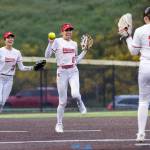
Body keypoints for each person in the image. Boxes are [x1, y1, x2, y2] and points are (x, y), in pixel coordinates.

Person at [45, 23, 87, 133]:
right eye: (66, 30)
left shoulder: (74, 44)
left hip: (73, 71)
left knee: (75, 94)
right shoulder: (57, 41)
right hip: (61, 72)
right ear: (62, 32)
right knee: (62, 102)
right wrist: (50, 43)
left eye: (70, 30)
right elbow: (47, 56)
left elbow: (76, 60)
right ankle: (59, 124)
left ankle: (80, 103)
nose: (68, 32)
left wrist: (85, 51)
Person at [123, 7, 150, 142]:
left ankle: (141, 133)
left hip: (145, 65)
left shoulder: (140, 30)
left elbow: (133, 52)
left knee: (143, 101)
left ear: (146, 18)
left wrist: (128, 37)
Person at [0, 32, 33, 112]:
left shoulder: (17, 52)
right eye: (8, 38)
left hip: (9, 79)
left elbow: (21, 67)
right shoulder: (1, 51)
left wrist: (32, 67)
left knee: (2, 103)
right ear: (5, 40)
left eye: (12, 38)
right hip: (0, 77)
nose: (10, 39)